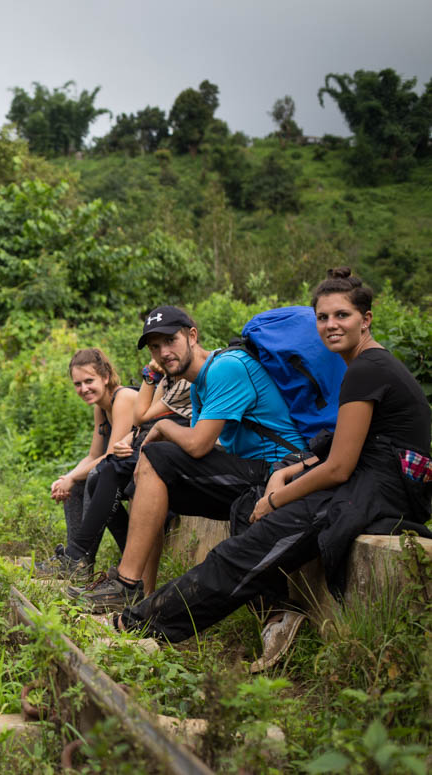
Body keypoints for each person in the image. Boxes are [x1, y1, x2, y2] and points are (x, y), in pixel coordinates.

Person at [117, 270, 431, 670]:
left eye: (343, 316)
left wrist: (276, 497)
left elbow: (339, 468)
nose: (331, 326)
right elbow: (342, 448)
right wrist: (286, 473)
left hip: (372, 492)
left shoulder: (366, 370)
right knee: (244, 528)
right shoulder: (368, 365)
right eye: (322, 318)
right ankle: (274, 617)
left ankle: (136, 625)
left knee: (238, 554)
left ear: (365, 320)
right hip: (372, 481)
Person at [70, 305, 305, 611]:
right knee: (148, 479)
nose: (163, 352)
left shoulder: (227, 367)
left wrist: (165, 427)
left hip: (279, 470)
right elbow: (194, 449)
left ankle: (126, 584)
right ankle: (139, 593)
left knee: (156, 457)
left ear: (192, 336)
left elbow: (197, 446)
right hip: (249, 471)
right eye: (155, 347)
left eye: (170, 341)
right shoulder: (200, 384)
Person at [36, 349, 137, 580]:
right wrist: (68, 478)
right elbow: (93, 455)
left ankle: (79, 559)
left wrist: (73, 477)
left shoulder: (124, 398)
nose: (84, 389)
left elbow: (111, 456)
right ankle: (78, 562)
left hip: (144, 468)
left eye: (89, 381)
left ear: (106, 376)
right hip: (121, 469)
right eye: (78, 384)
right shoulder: (101, 407)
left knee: (94, 476)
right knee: (81, 480)